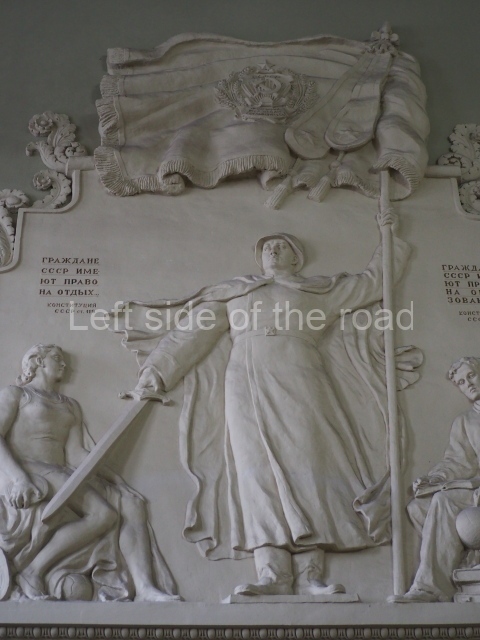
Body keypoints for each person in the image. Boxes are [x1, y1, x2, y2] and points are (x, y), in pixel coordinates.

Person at [121, 214, 411, 596]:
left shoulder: (317, 292)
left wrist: (389, 236)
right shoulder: (236, 293)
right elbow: (190, 335)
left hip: (301, 376)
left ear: (296, 258)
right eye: (266, 248)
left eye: (280, 246)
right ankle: (272, 574)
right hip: (245, 382)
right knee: (255, 472)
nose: (272, 251)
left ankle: (311, 574)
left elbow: (373, 283)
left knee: (309, 469)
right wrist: (155, 372)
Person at [0, 344, 181, 602]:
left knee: (131, 502)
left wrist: (117, 482)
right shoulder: (17, 395)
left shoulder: (70, 405)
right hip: (29, 470)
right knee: (103, 514)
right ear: (37, 361)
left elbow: (76, 455)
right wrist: (19, 479)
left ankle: (145, 588)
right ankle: (33, 571)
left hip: (61, 472)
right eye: (57, 358)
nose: (64, 364)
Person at [393, 357, 480, 603]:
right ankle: (457, 567)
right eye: (461, 382)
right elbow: (458, 462)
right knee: (418, 507)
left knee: (443, 501)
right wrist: (434, 479)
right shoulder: (466, 421)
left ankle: (430, 588)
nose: (468, 384)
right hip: (474, 493)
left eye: (471, 376)